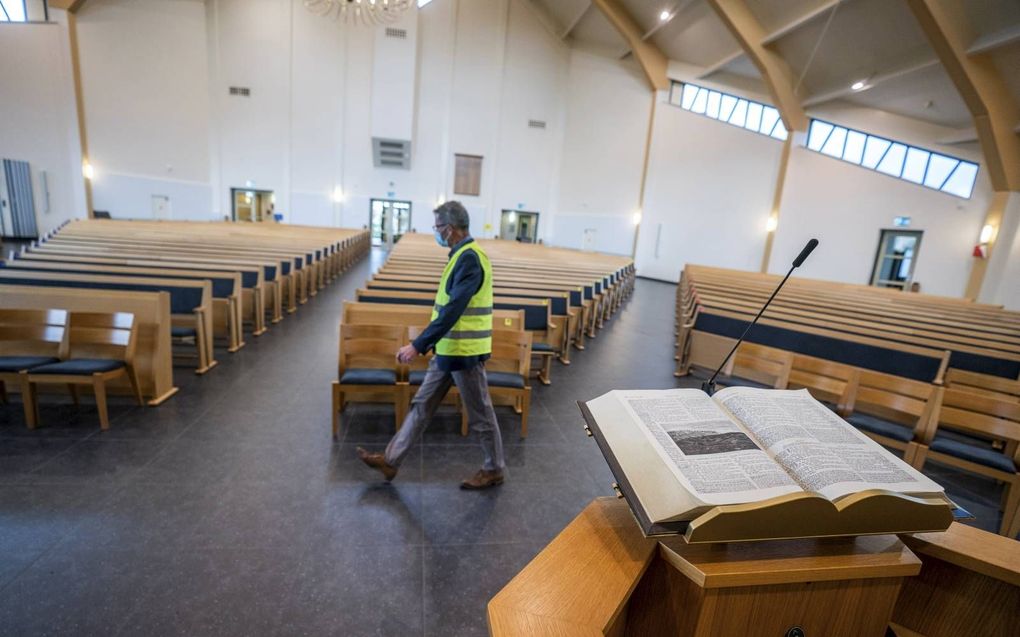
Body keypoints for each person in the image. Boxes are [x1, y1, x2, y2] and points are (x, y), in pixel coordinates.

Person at [357, 201, 506, 489]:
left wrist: (418, 345)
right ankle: (391, 461)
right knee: (422, 406)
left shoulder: (470, 258)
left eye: (437, 227)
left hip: (466, 354)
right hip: (447, 352)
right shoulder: (460, 255)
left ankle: (494, 469)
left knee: (480, 416)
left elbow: (453, 309)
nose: (435, 232)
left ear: (449, 230)